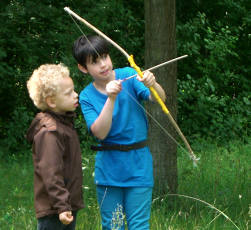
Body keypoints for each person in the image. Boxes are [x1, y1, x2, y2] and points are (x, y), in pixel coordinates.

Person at [72, 35, 166, 230]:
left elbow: (159, 99)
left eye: (105, 57)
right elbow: (100, 133)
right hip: (108, 169)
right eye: (95, 62)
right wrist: (111, 98)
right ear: (83, 68)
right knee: (113, 226)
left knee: (139, 225)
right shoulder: (86, 96)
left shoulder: (128, 75)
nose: (104, 65)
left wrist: (152, 84)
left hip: (139, 164)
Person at [25, 64, 85, 230]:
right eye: (68, 93)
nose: (76, 95)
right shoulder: (50, 132)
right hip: (55, 210)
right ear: (51, 102)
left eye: (73, 90)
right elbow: (50, 172)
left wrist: (67, 205)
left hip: (66, 205)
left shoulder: (64, 124)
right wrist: (62, 206)